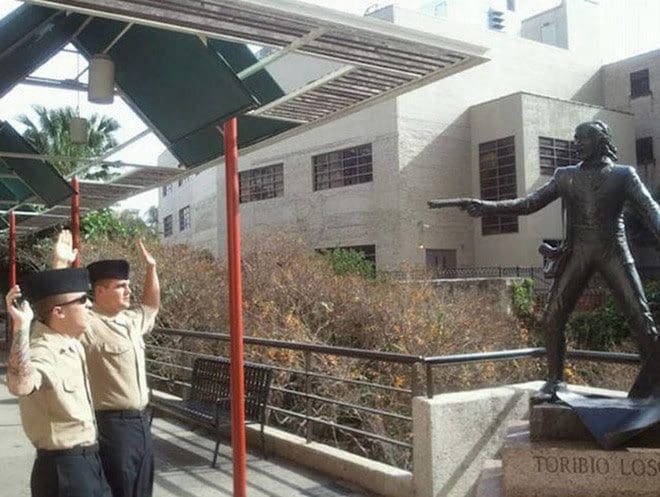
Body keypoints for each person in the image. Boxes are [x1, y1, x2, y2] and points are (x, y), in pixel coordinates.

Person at [429, 120, 660, 401]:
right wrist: (487, 207)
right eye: (575, 137)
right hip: (578, 253)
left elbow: (651, 210)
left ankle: (655, 384)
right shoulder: (565, 176)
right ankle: (555, 381)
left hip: (613, 250)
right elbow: (529, 204)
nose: (577, 143)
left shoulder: (623, 175)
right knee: (552, 317)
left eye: (583, 138)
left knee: (641, 318)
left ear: (600, 140)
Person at [53, 232, 160, 497]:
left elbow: (151, 306)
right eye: (121, 286)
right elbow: (60, 311)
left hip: (141, 423)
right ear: (100, 291)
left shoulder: (130, 321)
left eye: (128, 285)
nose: (128, 291)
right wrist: (60, 265)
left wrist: (151, 269)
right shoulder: (87, 323)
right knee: (120, 489)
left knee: (142, 489)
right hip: (112, 425)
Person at [5, 268, 112, 497]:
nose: (89, 304)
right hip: (64, 469)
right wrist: (21, 326)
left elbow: (52, 291)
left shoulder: (68, 340)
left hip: (88, 461)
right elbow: (20, 384)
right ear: (59, 312)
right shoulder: (43, 350)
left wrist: (60, 262)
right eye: (82, 300)